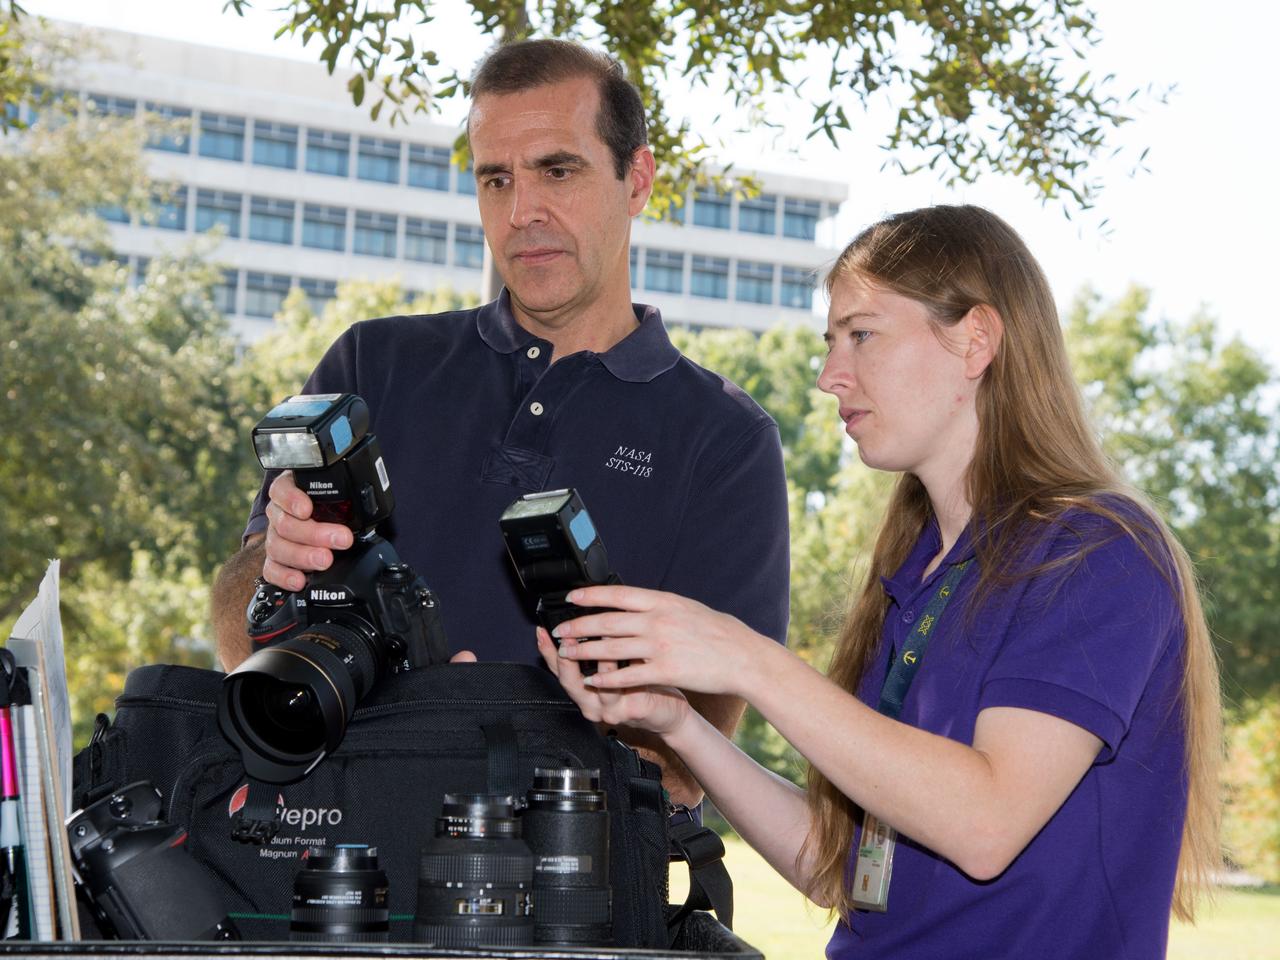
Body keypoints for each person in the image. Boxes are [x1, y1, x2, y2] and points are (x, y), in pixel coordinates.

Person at [541, 205, 1222, 958]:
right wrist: (677, 724)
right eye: (831, 343)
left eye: (861, 334)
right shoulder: (916, 575)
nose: (832, 376)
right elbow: (848, 875)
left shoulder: (1095, 551)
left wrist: (750, 661)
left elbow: (986, 823)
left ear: (976, 340)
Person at [210, 39, 791, 808]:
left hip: (559, 896)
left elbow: (689, 770)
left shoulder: (725, 439)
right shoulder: (372, 363)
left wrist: (475, 738)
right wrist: (275, 565)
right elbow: (235, 617)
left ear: (637, 179)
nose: (522, 213)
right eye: (496, 179)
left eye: (558, 170)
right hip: (333, 860)